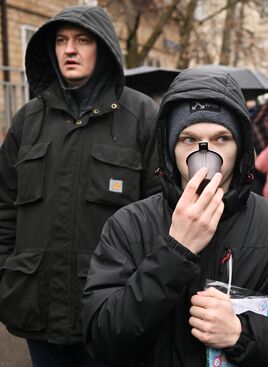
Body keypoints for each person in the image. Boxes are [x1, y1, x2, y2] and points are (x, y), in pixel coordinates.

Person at [81, 67, 268, 366]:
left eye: (221, 138)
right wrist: (175, 251)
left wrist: (241, 333)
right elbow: (101, 336)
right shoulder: (129, 225)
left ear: (240, 147)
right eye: (189, 139)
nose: (205, 152)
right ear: (169, 148)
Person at [0, 6, 160, 366]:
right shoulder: (28, 119)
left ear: (103, 48)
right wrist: (5, 277)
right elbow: (4, 206)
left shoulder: (140, 116)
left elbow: (161, 212)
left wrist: (143, 294)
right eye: (61, 40)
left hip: (113, 311)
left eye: (82, 40)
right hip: (36, 308)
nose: (69, 49)